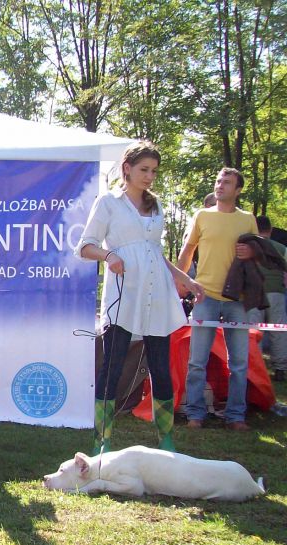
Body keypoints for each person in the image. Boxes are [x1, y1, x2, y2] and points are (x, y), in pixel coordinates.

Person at [76, 141, 203, 453]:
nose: (149, 176)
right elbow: (84, 247)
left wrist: (185, 279)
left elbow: (155, 253)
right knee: (112, 366)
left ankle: (166, 439)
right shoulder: (108, 203)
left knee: (161, 367)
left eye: (154, 171)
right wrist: (108, 256)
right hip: (123, 294)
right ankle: (102, 440)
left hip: (157, 294)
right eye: (144, 169)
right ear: (127, 169)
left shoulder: (156, 206)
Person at [177, 167, 259, 430]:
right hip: (204, 295)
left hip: (238, 298)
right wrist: (180, 281)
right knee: (196, 361)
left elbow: (258, 255)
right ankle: (195, 414)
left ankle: (236, 416)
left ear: (238, 190)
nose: (220, 185)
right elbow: (188, 249)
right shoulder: (202, 215)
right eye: (218, 181)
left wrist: (250, 252)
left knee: (239, 362)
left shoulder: (248, 219)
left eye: (227, 182)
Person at [248, 216, 287, 381]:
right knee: (278, 331)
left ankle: (256, 368)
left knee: (254, 332)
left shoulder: (249, 247)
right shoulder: (282, 248)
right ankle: (280, 369)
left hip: (254, 293)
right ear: (270, 230)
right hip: (276, 293)